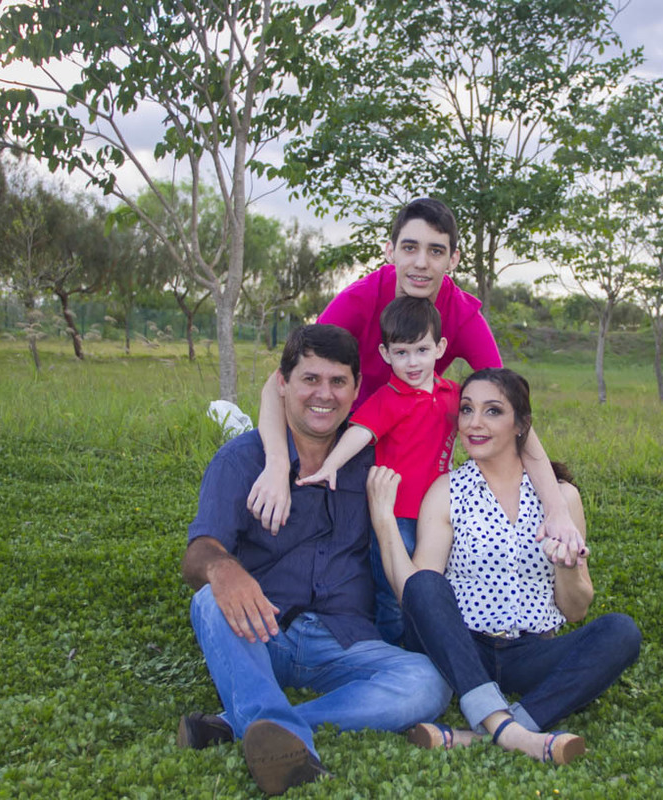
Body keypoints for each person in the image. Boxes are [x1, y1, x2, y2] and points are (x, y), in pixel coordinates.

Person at [177, 324, 451, 796]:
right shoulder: (242, 461)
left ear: (356, 389)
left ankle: (248, 724)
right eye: (310, 379)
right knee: (208, 599)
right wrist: (223, 570)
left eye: (338, 382)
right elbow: (199, 552)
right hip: (262, 628)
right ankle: (289, 744)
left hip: (342, 641)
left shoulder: (370, 458)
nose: (323, 394)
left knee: (427, 681)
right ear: (283, 384)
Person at [247, 198, 586, 567]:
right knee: (326, 529)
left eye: (436, 251)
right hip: (346, 434)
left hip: (408, 452)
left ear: (453, 259)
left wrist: (556, 508)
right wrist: (277, 464)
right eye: (410, 247)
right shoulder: (360, 300)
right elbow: (278, 383)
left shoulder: (462, 316)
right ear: (391, 250)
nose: (421, 263)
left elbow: (511, 413)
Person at [365, 368, 643, 765]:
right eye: (466, 410)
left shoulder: (561, 500)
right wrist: (384, 521)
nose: (474, 423)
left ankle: (487, 733)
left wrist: (565, 567)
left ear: (521, 425)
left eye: (492, 411)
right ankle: (513, 732)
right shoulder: (447, 492)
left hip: (532, 651)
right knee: (426, 583)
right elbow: (416, 596)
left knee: (622, 631)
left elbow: (576, 610)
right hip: (463, 649)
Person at [297, 296, 459, 643]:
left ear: (440, 348)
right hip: (395, 514)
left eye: (421, 350)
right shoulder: (388, 398)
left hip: (440, 515)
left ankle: (430, 647)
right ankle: (392, 652)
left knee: (435, 585)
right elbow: (359, 433)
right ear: (385, 354)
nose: (412, 362)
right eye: (401, 353)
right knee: (392, 593)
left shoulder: (453, 394)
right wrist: (330, 465)